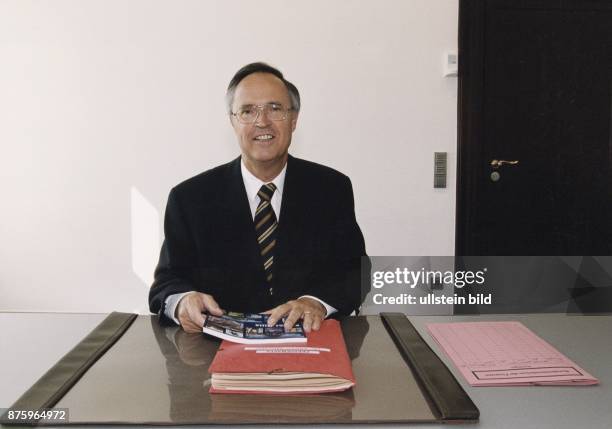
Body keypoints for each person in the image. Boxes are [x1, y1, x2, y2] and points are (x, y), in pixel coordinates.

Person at [149, 62, 368, 333]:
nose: (262, 121)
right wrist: (182, 302)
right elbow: (167, 282)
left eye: (275, 109)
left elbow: (355, 272)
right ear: (233, 121)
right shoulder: (190, 199)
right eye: (248, 111)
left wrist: (315, 303)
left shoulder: (332, 189)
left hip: (308, 349)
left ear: (294, 119)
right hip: (214, 355)